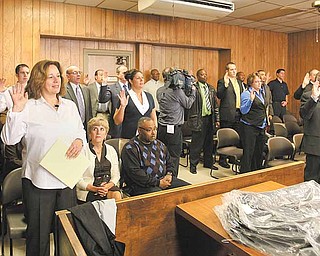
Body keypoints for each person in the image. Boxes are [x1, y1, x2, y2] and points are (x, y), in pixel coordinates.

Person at [1, 60, 86, 256]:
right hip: (39, 183)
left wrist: (80, 142)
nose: (56, 80)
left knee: (66, 235)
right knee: (38, 237)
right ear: (40, 79)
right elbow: (9, 139)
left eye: (58, 76)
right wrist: (16, 110)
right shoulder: (29, 106)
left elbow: (80, 132)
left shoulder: (70, 106)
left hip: (66, 179)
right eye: (51, 76)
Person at [121, 117, 189, 196]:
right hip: (141, 185)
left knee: (189, 189)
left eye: (155, 129)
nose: (153, 133)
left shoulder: (160, 144)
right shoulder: (130, 148)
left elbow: (170, 162)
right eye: (149, 130)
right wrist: (158, 183)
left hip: (163, 179)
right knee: (161, 197)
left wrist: (169, 174)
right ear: (139, 131)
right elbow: (136, 173)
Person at [156, 67, 196, 175]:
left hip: (162, 128)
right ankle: (172, 180)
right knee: (173, 156)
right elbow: (188, 104)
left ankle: (161, 175)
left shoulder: (159, 90)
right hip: (174, 129)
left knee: (161, 154)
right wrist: (193, 91)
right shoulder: (177, 92)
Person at [77, 117, 121, 202]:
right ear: (90, 133)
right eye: (95, 129)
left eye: (102, 129)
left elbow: (116, 175)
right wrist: (95, 189)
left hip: (107, 187)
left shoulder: (111, 150)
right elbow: (78, 180)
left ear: (105, 134)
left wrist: (107, 186)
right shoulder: (82, 151)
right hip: (89, 189)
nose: (98, 132)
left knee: (116, 195)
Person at [187, 69, 220, 174]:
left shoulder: (211, 88)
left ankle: (208, 163)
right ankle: (193, 165)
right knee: (197, 144)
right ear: (197, 76)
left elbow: (215, 105)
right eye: (202, 75)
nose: (204, 76)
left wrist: (217, 119)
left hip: (209, 118)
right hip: (198, 118)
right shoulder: (193, 88)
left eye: (205, 74)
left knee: (209, 143)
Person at [114, 69, 157, 139]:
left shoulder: (149, 96)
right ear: (131, 81)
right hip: (129, 137)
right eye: (138, 78)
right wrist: (122, 106)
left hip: (147, 137)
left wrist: (154, 130)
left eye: (142, 78)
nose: (141, 80)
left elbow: (153, 116)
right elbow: (117, 121)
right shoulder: (125, 96)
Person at [217, 62, 244, 168]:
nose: (234, 71)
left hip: (238, 113)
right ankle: (222, 159)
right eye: (231, 69)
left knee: (236, 136)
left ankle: (232, 157)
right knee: (226, 137)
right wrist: (225, 84)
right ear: (227, 71)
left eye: (235, 69)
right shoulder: (222, 81)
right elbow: (219, 95)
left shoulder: (239, 82)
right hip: (227, 113)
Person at [239, 73, 267, 173]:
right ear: (251, 83)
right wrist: (250, 100)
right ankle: (245, 174)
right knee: (249, 152)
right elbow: (243, 111)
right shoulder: (246, 94)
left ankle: (256, 173)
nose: (259, 83)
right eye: (256, 81)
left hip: (261, 126)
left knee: (258, 152)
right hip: (249, 127)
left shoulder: (261, 93)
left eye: (260, 81)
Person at [300, 72, 320, 182]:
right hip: (315, 146)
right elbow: (304, 115)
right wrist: (314, 98)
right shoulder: (308, 96)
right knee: (312, 182)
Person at [99, 65, 129, 138]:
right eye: (124, 73)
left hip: (131, 123)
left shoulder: (133, 87)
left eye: (127, 73)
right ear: (118, 74)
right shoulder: (112, 88)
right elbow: (103, 99)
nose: (126, 75)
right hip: (117, 124)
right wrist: (104, 84)